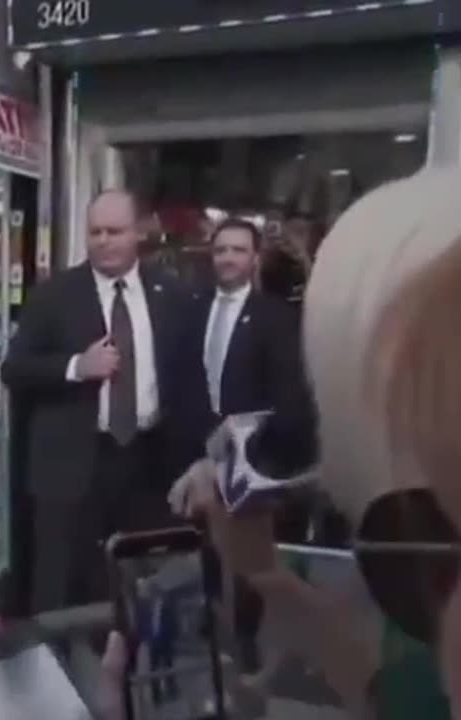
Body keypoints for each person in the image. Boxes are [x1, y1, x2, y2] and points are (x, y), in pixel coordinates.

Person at [100, 167, 461, 720]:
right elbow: (379, 686)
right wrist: (278, 587)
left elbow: (289, 407)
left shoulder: (275, 321)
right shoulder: (188, 313)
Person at [2, 189, 189, 613]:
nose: (103, 241)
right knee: (62, 588)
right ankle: (58, 670)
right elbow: (13, 370)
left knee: (136, 584)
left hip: (143, 464)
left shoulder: (170, 294)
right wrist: (76, 367)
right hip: (71, 468)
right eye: (95, 232)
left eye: (115, 231)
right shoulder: (55, 295)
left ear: (139, 233)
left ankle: (123, 666)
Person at [168, 217, 312, 673]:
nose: (227, 258)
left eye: (237, 250)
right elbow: (183, 376)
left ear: (254, 258)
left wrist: (245, 436)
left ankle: (245, 637)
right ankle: (211, 619)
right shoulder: (192, 308)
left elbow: (288, 394)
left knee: (247, 551)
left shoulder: (276, 316)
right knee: (206, 539)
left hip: (250, 451)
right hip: (198, 447)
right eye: (220, 250)